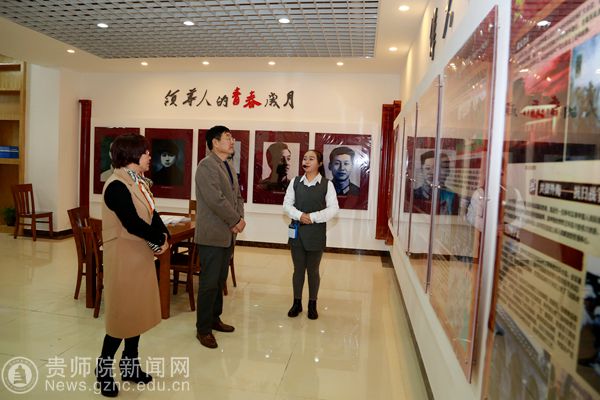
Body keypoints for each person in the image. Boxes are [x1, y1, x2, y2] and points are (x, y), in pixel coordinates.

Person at [96, 133, 170, 397]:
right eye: (146, 152)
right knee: (121, 317)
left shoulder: (138, 182)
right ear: (132, 155)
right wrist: (158, 239)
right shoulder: (116, 185)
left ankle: (129, 367)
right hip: (123, 259)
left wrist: (164, 235)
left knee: (135, 314)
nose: (150, 156)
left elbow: (151, 214)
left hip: (138, 256)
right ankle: (103, 370)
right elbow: (131, 222)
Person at [194, 125, 245, 349]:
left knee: (219, 280)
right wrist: (235, 220)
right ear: (214, 142)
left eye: (232, 138)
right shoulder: (206, 166)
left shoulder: (227, 165)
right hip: (212, 235)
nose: (232, 141)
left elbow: (237, 197)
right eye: (227, 138)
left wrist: (239, 219)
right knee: (208, 283)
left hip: (227, 234)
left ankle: (215, 319)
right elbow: (215, 199)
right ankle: (203, 329)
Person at [283, 149, 339, 319]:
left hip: (316, 233)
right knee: (298, 270)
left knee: (313, 271)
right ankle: (297, 303)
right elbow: (286, 205)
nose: (306, 161)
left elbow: (333, 209)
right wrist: (300, 216)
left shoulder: (327, 184)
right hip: (297, 232)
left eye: (311, 159)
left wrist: (312, 217)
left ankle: (312, 304)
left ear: (319, 163)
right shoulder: (295, 182)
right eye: (305, 158)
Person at [412, 150, 458, 214]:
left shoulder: (451, 196)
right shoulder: (414, 195)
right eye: (427, 168)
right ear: (422, 171)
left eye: (436, 169)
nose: (432, 172)